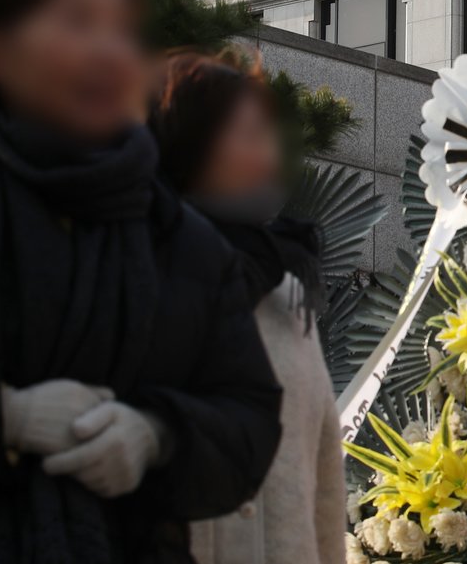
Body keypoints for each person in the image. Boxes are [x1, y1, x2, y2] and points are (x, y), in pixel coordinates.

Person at [0, 0, 283, 563]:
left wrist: (155, 435)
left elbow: (250, 421)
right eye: (77, 20)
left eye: (120, 29)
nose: (110, 50)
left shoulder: (189, 246)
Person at [149, 53, 346, 564]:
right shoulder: (129, 276)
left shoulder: (288, 289)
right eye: (249, 134)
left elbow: (325, 477)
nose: (270, 153)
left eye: (269, 132)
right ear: (186, 144)